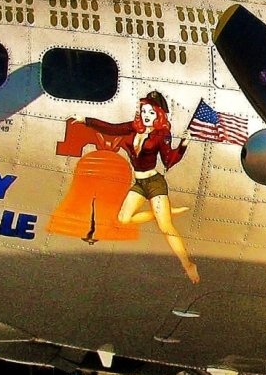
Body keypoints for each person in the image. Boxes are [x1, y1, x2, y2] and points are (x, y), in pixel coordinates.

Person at [83, 92, 200, 283]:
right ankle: (160, 213)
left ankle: (188, 264)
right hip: (139, 183)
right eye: (144, 111)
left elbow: (169, 160)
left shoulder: (161, 135)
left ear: (159, 115)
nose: (147, 115)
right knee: (124, 219)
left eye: (151, 112)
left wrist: (184, 145)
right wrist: (87, 121)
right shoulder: (132, 128)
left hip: (154, 183)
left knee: (166, 227)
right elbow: (111, 128)